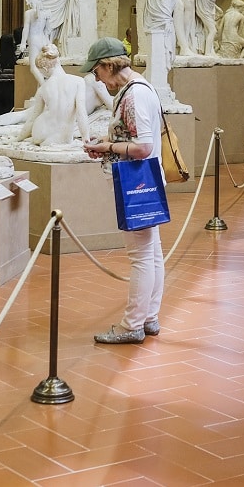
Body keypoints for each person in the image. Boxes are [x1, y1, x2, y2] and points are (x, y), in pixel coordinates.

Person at [81, 37, 166, 345]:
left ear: (108, 65)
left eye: (96, 71)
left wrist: (108, 147)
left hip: (136, 182)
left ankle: (132, 325)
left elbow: (143, 147)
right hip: (142, 179)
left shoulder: (134, 95)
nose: (96, 79)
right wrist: (107, 145)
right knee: (151, 252)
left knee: (141, 255)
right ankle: (149, 317)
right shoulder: (138, 88)